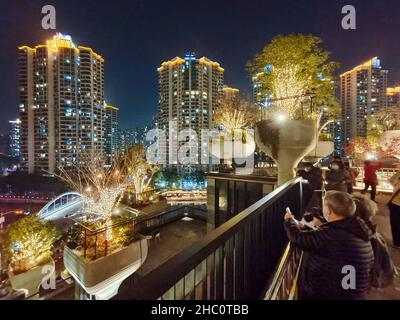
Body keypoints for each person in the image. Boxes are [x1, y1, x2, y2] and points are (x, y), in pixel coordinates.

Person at [284, 191, 374, 300]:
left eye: (324, 206)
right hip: (351, 293)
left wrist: (289, 220)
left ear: (329, 210)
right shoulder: (357, 230)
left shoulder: (333, 236)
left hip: (329, 294)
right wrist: (309, 227)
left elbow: (297, 237)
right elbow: (326, 240)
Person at [352, 193, 395, 288]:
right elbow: (388, 269)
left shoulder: (349, 236)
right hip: (365, 282)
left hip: (352, 283)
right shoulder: (375, 235)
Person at [388, 170, 400, 247]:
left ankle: (397, 242)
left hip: (395, 204)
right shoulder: (398, 176)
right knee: (395, 224)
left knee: (395, 224)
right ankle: (397, 242)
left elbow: (390, 182)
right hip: (395, 204)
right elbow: (390, 182)